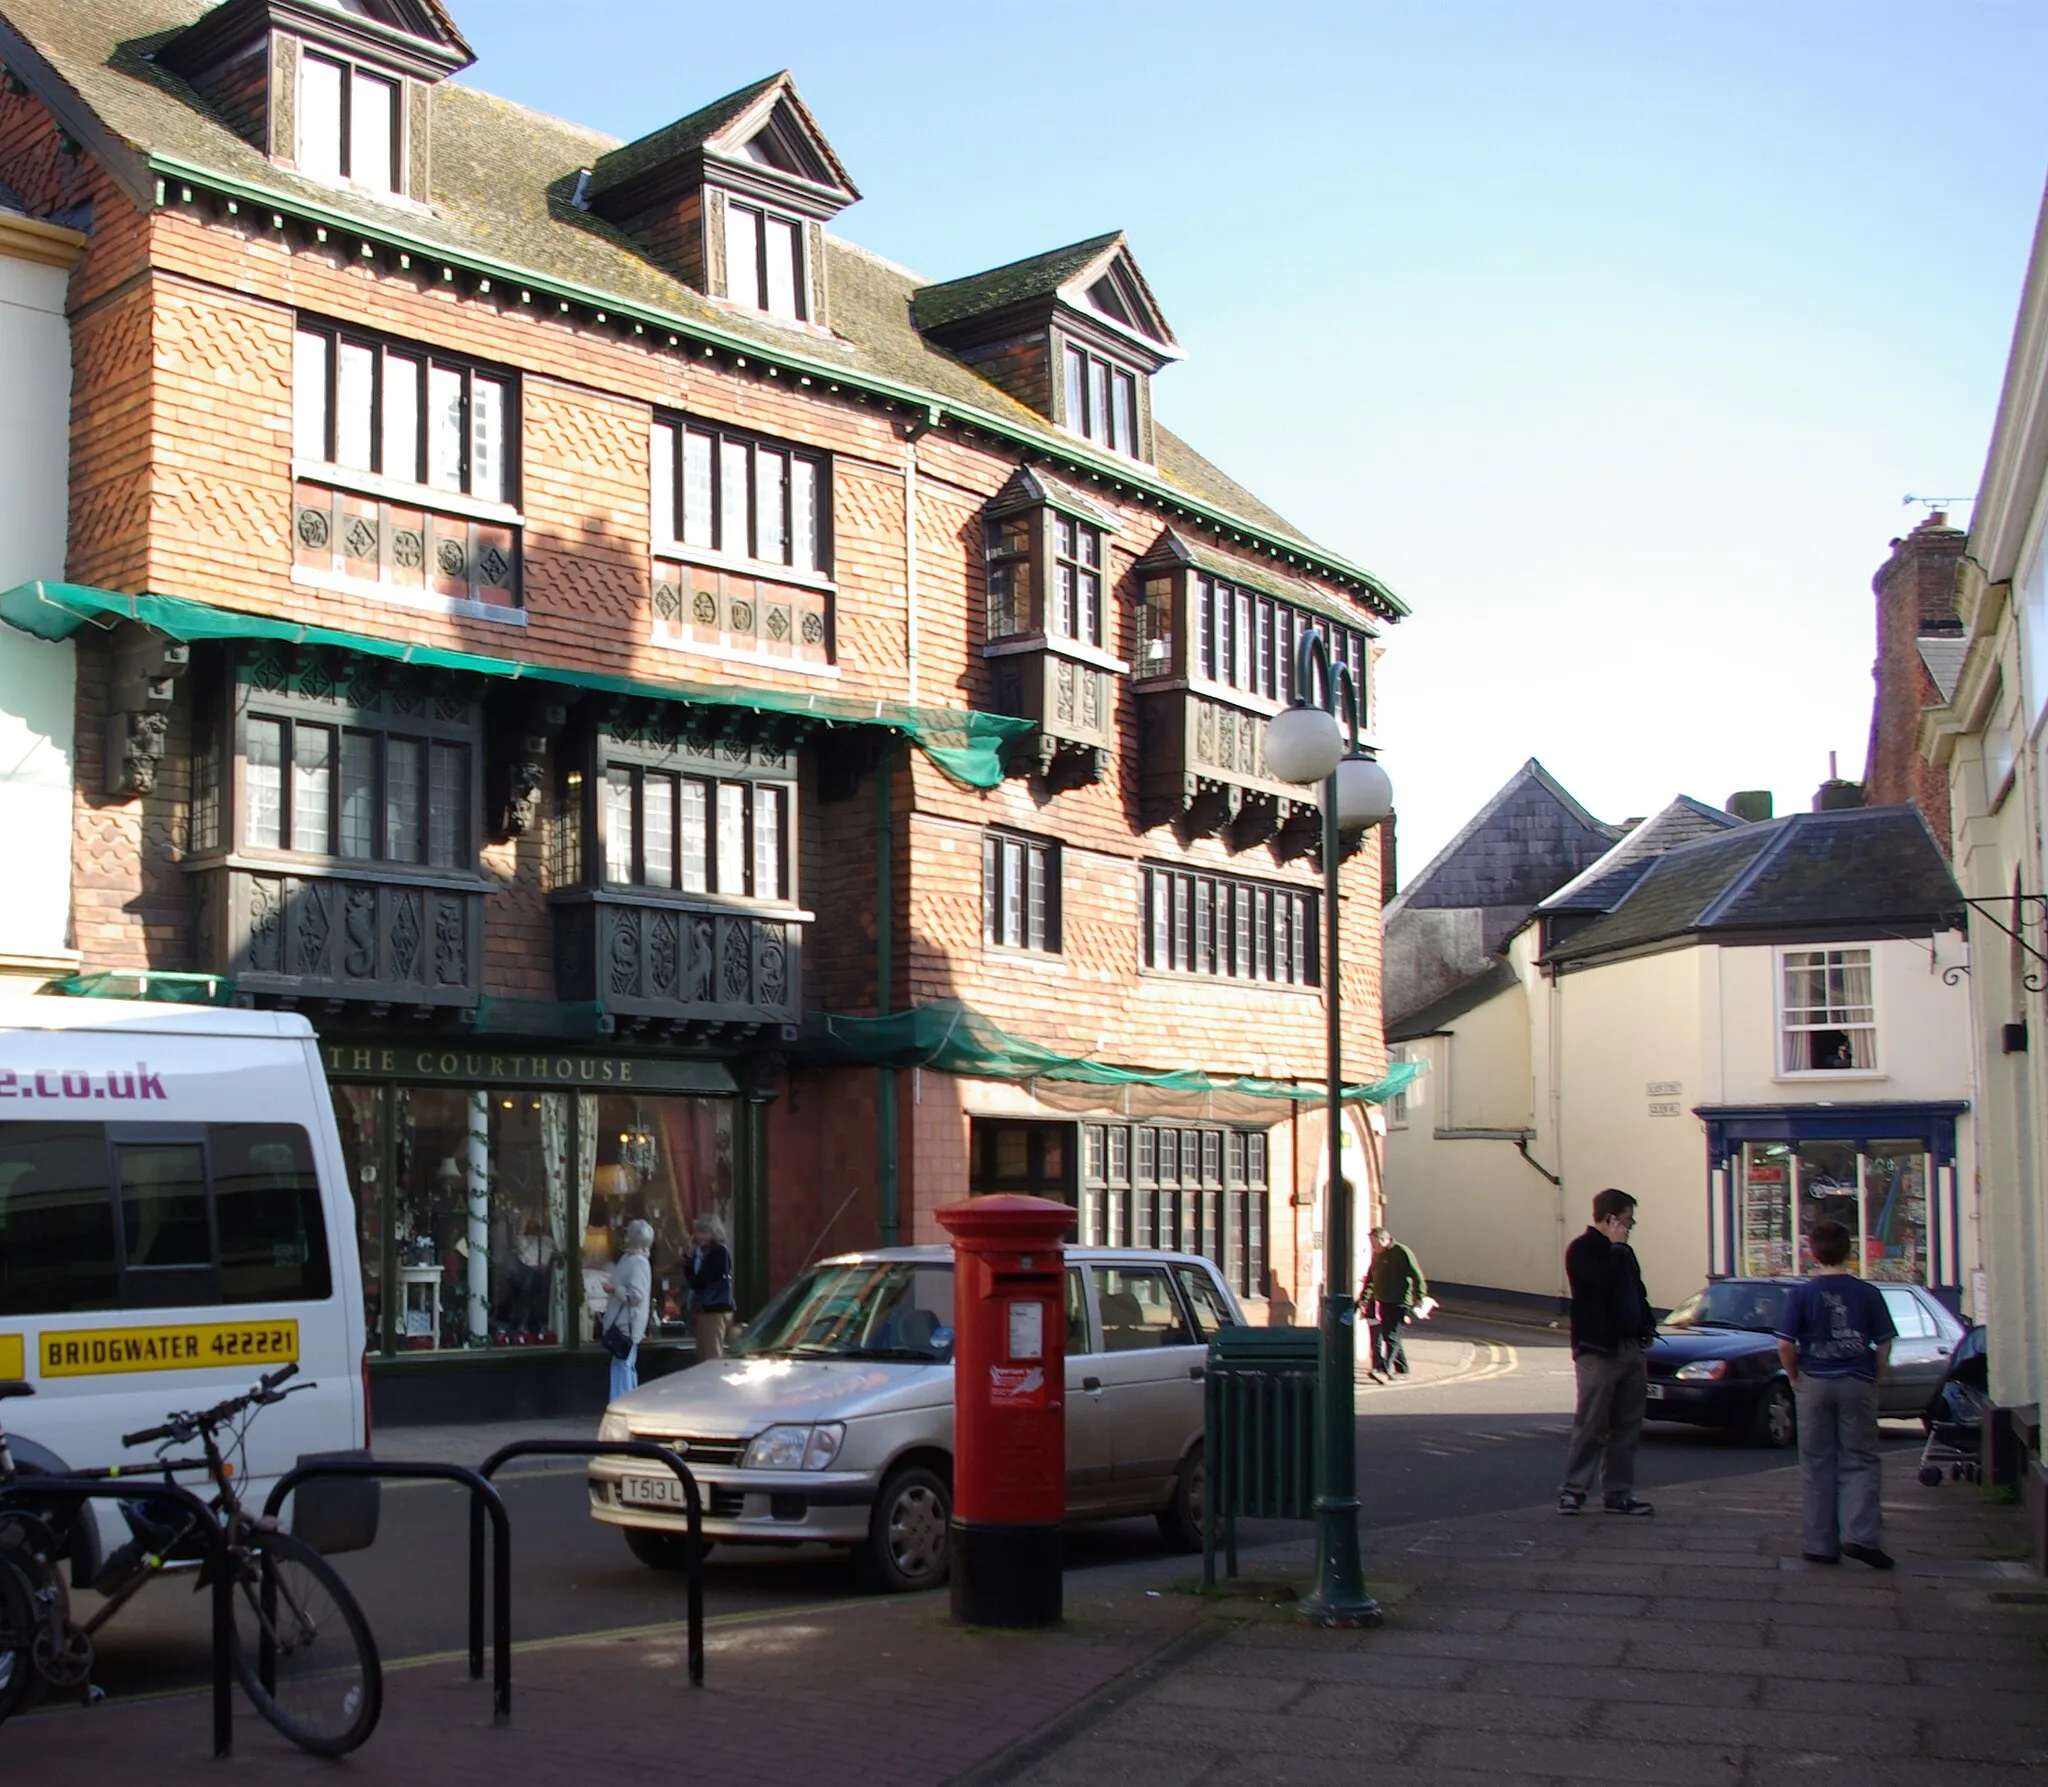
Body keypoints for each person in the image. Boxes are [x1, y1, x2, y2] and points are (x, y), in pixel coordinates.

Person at [1774, 1217, 1897, 1569]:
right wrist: (1877, 1375)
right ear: (1849, 1251)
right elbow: (1885, 1342)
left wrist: (1796, 1375)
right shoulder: (1868, 1293)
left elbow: (1784, 1343)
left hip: (1814, 1380)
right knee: (1860, 1458)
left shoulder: (1801, 1294)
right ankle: (1860, 1536)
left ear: (1813, 1253)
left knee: (1816, 1461)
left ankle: (1819, 1543)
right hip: (1856, 1378)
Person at [1558, 1187, 1656, 1516]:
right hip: (1599, 1350)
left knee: (1627, 1426)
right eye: (1628, 1220)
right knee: (1591, 1424)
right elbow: (1597, 1287)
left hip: (1630, 1348)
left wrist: (1646, 1325)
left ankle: (1619, 1492)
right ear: (1610, 1219)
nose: (1631, 1226)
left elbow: (1636, 1292)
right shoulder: (1583, 1250)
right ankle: (1573, 1491)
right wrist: (1616, 1249)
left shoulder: (1624, 1252)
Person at [1359, 1226, 1427, 1382]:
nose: (1372, 1246)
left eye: (1374, 1243)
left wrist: (1420, 1296)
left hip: (1400, 1301)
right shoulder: (1378, 1255)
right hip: (1383, 1301)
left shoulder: (1402, 1252)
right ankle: (1403, 1368)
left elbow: (1417, 1276)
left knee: (1391, 1336)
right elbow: (1371, 1278)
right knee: (1391, 1336)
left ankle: (1384, 1369)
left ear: (1384, 1240)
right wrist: (1364, 1296)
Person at [601, 1219, 654, 1399]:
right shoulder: (629, 1258)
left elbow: (637, 1296)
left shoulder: (638, 1262)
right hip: (623, 1319)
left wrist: (615, 1289)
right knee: (622, 1363)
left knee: (624, 1363)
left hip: (627, 1321)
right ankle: (624, 1400)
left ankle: (624, 1401)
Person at [683, 1212, 735, 1363]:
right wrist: (689, 1256)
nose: (699, 1237)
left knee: (712, 1354)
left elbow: (700, 1281)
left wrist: (694, 1278)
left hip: (716, 1309)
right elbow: (691, 1277)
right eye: (698, 1232)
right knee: (703, 1353)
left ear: (714, 1233)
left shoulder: (719, 1252)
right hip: (704, 1308)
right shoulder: (701, 1253)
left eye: (704, 1232)